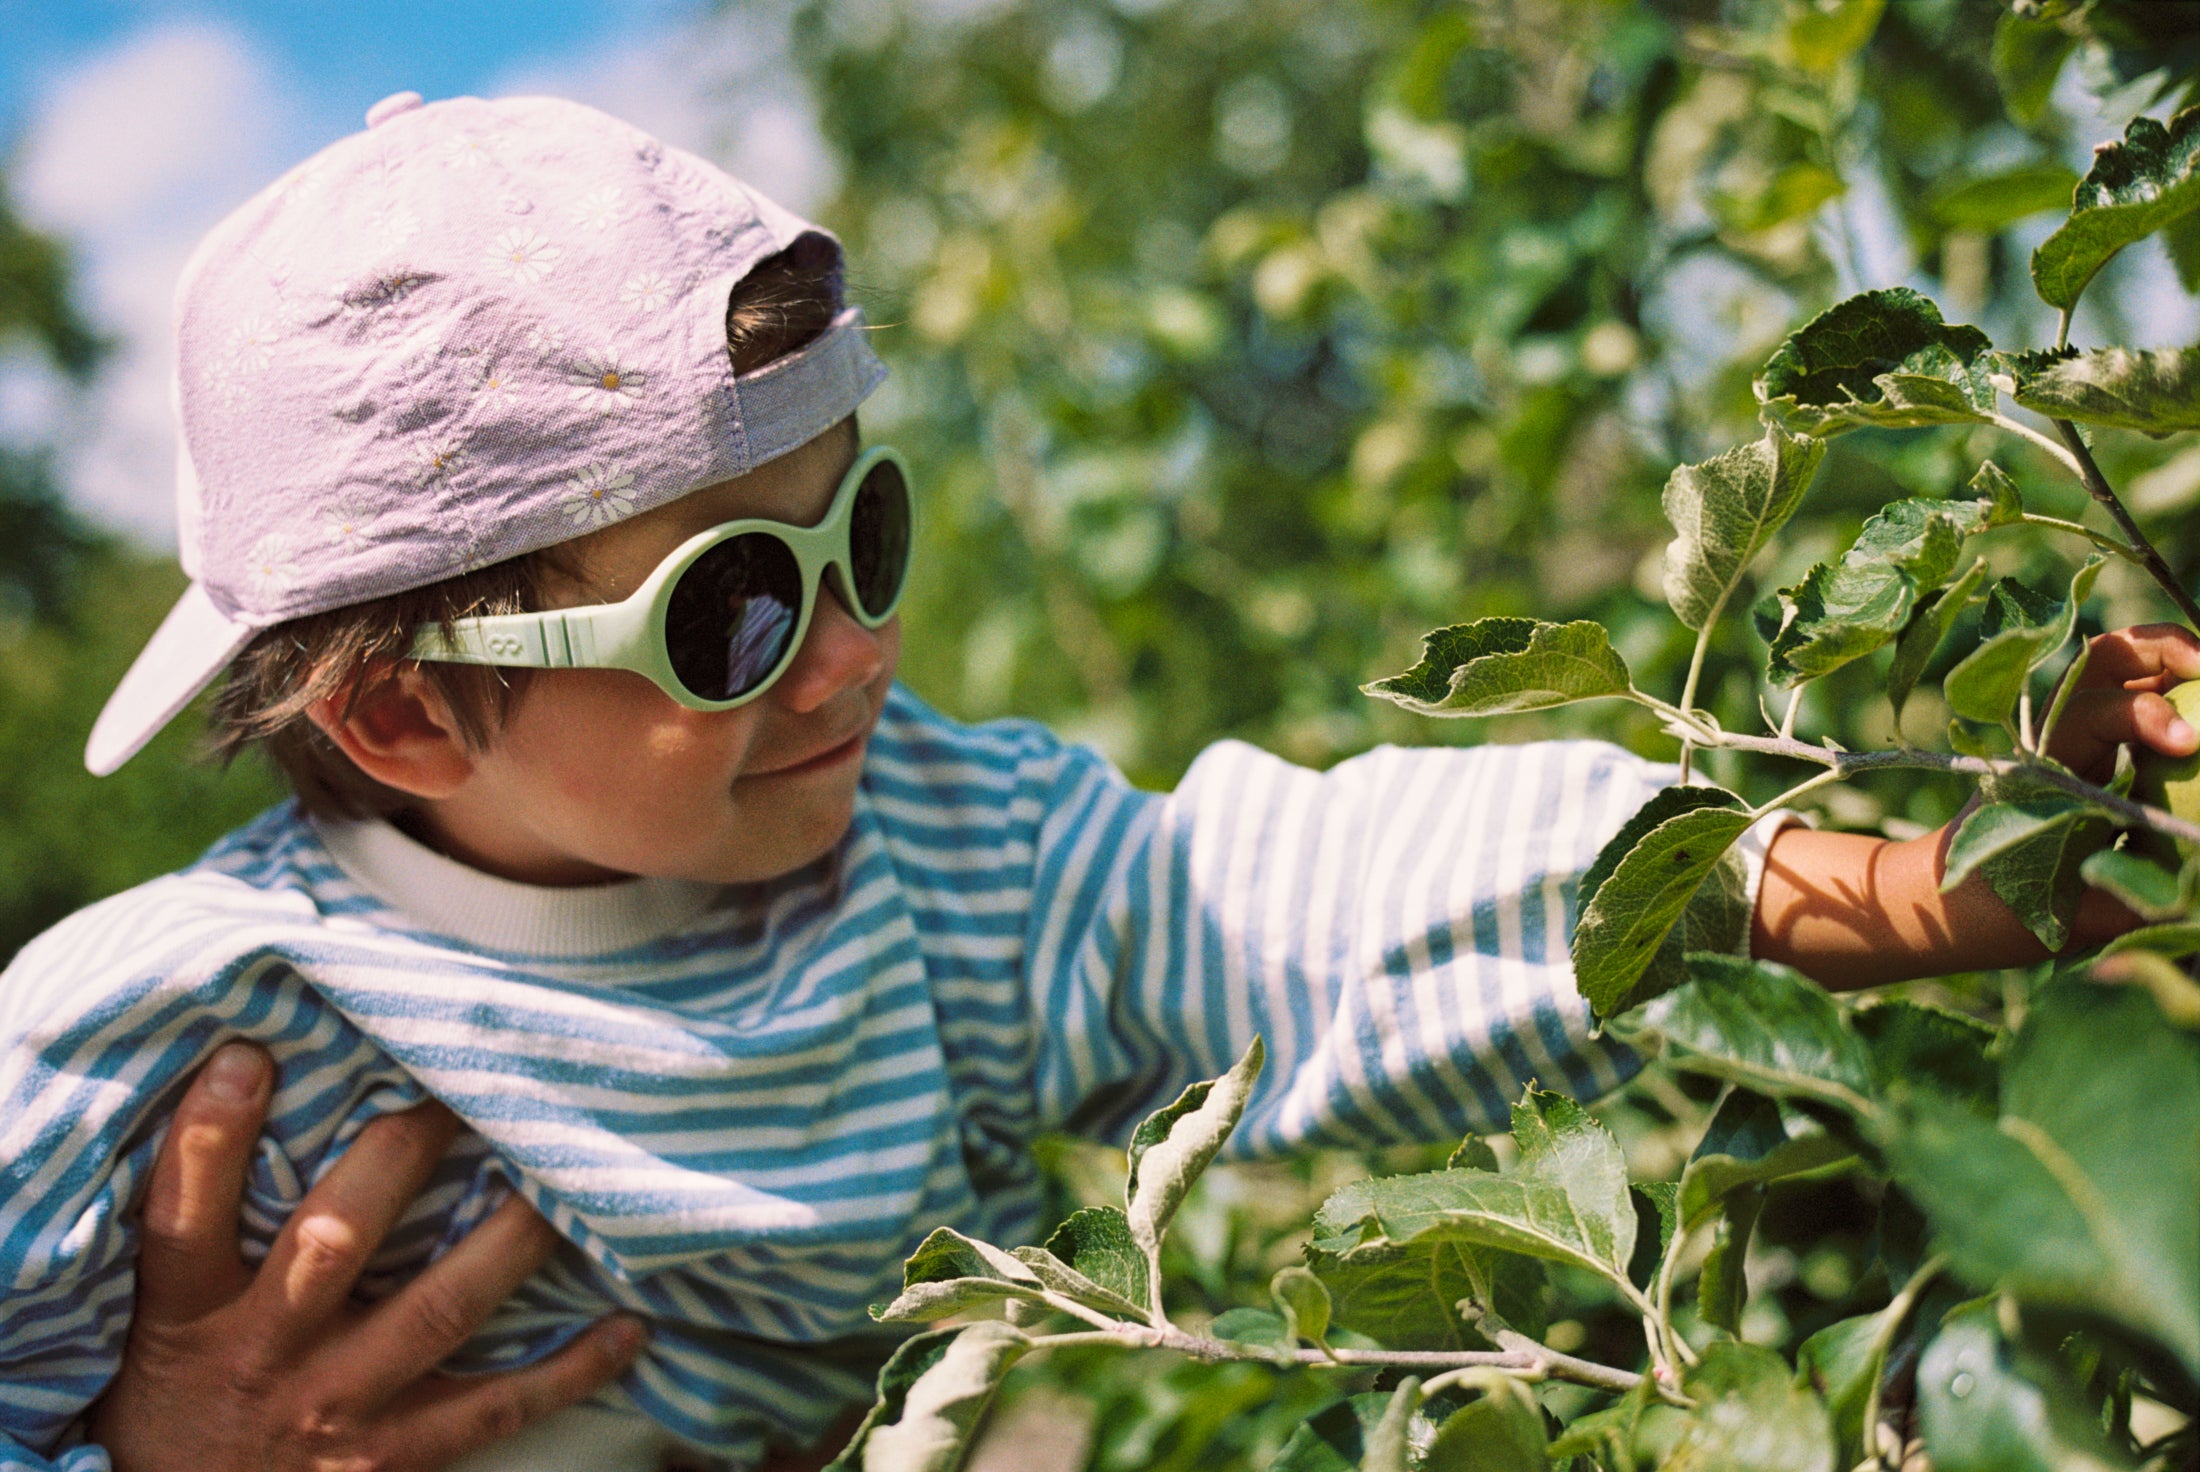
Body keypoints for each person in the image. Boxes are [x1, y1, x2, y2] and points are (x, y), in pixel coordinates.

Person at [2, 89, 2194, 1472]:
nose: (855, 644)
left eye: (857, 534)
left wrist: (1964, 867)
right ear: (396, 712)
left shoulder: (938, 860)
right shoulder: (155, 1048)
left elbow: (1319, 898)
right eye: (732, 611)